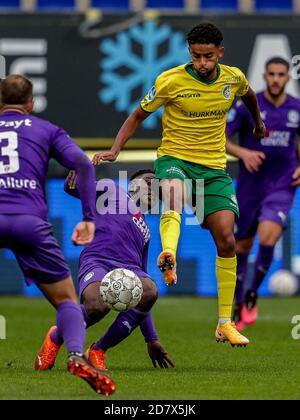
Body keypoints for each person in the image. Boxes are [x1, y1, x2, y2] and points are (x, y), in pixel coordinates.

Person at [92, 23, 268, 346]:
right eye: (197, 56)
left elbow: (250, 95)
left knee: (227, 240)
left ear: (220, 53)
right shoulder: (170, 81)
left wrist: (258, 123)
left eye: (208, 56)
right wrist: (116, 150)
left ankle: (224, 323)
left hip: (214, 168)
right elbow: (136, 116)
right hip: (175, 158)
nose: (202, 63)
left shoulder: (233, 78)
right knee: (174, 193)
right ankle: (169, 253)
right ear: (189, 53)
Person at [0, 75, 115, 396]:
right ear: (31, 104)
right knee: (66, 300)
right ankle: (77, 355)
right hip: (29, 221)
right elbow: (84, 165)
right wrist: (89, 218)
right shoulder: (46, 129)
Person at [36, 170, 175, 371]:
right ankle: (56, 337)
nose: (154, 189)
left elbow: (141, 297)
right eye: (149, 182)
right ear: (133, 184)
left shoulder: (145, 230)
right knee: (96, 305)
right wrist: (73, 182)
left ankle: (98, 351)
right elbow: (77, 188)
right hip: (97, 260)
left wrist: (151, 339)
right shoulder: (112, 190)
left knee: (150, 290)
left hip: (129, 269)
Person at [226, 57, 300, 330]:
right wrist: (244, 153)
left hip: (282, 185)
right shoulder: (249, 105)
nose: (277, 79)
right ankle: (236, 303)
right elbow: (221, 137)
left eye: (281, 74)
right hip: (249, 186)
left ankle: (252, 294)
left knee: (269, 235)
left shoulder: (297, 108)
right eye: (272, 74)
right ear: (265, 76)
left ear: (288, 78)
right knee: (241, 248)